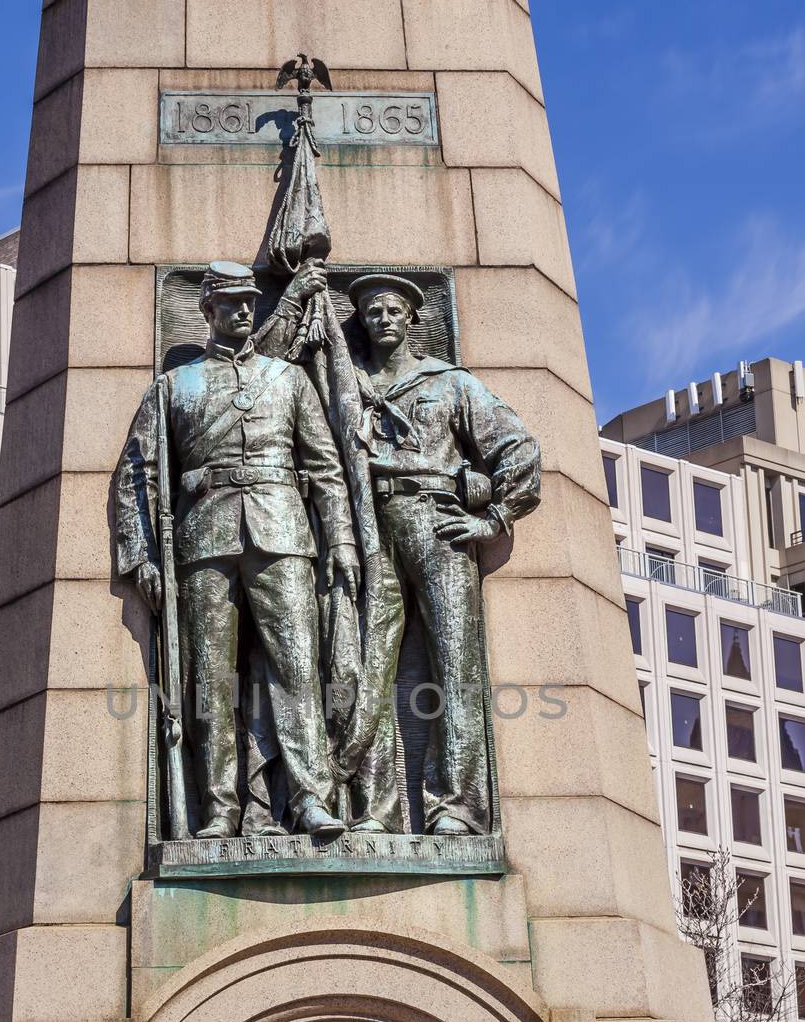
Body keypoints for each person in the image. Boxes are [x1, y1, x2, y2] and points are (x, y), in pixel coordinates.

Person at [114, 261, 361, 839]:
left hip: (281, 530)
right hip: (204, 539)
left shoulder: (288, 379)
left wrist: (343, 540)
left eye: (250, 300)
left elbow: (326, 470)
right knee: (211, 678)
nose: (245, 310)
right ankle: (221, 809)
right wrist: (142, 554)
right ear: (208, 310)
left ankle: (309, 801)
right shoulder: (175, 386)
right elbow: (135, 474)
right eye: (231, 302)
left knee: (297, 667)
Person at [345, 273, 541, 835]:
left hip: (438, 524)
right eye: (372, 311)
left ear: (411, 319)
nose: (382, 318)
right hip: (369, 527)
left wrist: (493, 518)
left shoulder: (449, 384)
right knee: (367, 667)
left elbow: (520, 449)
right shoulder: (346, 384)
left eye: (392, 310)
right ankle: (373, 810)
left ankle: (456, 805)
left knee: (455, 664)